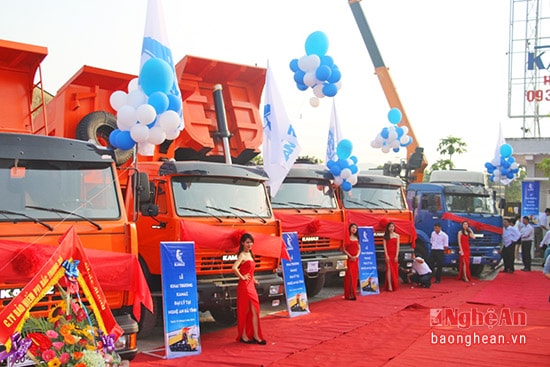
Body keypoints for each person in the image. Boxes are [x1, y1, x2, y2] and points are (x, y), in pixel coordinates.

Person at [232, 233, 266, 345]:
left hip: (250, 284)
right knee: (245, 310)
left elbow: (249, 270)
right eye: (247, 242)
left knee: (255, 311)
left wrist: (254, 279)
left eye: (251, 242)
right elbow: (234, 268)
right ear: (242, 243)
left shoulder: (250, 254)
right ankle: (244, 335)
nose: (249, 244)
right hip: (244, 286)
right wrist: (242, 277)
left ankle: (256, 335)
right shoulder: (242, 255)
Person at [343, 223, 360, 300]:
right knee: (349, 276)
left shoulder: (357, 237)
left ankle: (353, 293)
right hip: (349, 258)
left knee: (354, 276)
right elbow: (344, 249)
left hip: (355, 259)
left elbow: (359, 249)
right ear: (350, 228)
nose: (354, 229)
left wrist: (356, 256)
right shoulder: (347, 237)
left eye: (355, 228)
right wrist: (350, 256)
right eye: (353, 227)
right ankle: (348, 294)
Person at [383, 222, 400, 291]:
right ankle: (389, 285)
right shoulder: (385, 236)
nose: (391, 228)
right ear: (388, 228)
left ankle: (394, 284)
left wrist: (396, 255)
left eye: (392, 226)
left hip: (394, 254)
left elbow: (398, 247)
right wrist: (386, 255)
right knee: (389, 269)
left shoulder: (397, 236)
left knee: (395, 269)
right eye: (390, 227)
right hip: (388, 254)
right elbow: (385, 247)